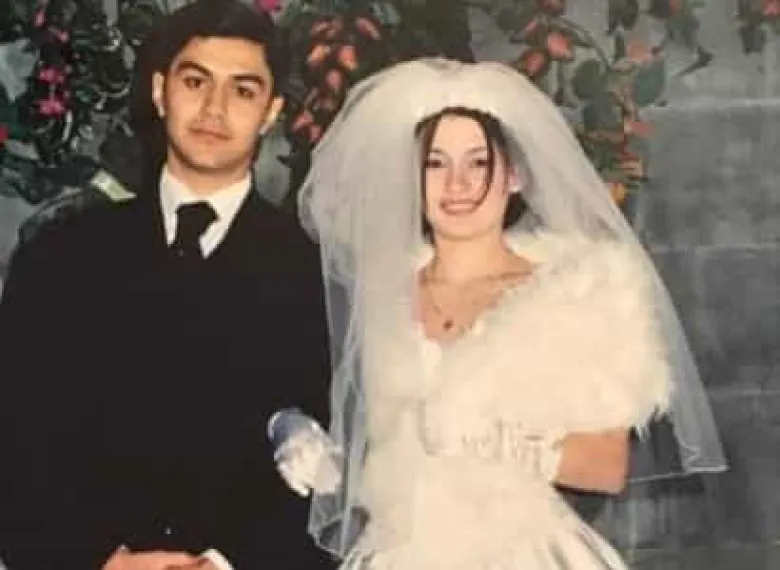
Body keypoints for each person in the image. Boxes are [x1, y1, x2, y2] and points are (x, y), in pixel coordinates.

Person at [283, 58, 728, 569]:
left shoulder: (572, 293)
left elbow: (608, 466)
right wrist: (321, 455)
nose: (456, 184)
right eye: (435, 164)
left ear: (513, 175)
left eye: (478, 162)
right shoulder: (381, 294)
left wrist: (502, 441)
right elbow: (380, 449)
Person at [0, 1, 333, 569]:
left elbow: (340, 471)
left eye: (243, 90)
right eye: (195, 81)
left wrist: (222, 564)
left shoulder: (316, 277)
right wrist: (98, 559)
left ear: (272, 112)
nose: (214, 108)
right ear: (160, 92)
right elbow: (15, 441)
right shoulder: (59, 256)